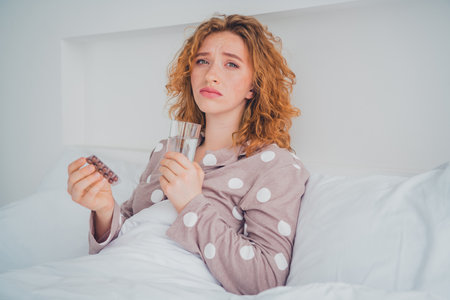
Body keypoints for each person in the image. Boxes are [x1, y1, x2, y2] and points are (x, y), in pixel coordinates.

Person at [67, 14, 310, 295]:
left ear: (254, 86)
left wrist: (192, 203)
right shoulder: (165, 149)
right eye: (202, 61)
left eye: (231, 64)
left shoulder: (275, 165)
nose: (211, 75)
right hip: (106, 274)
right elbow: (125, 241)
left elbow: (264, 279)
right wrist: (104, 210)